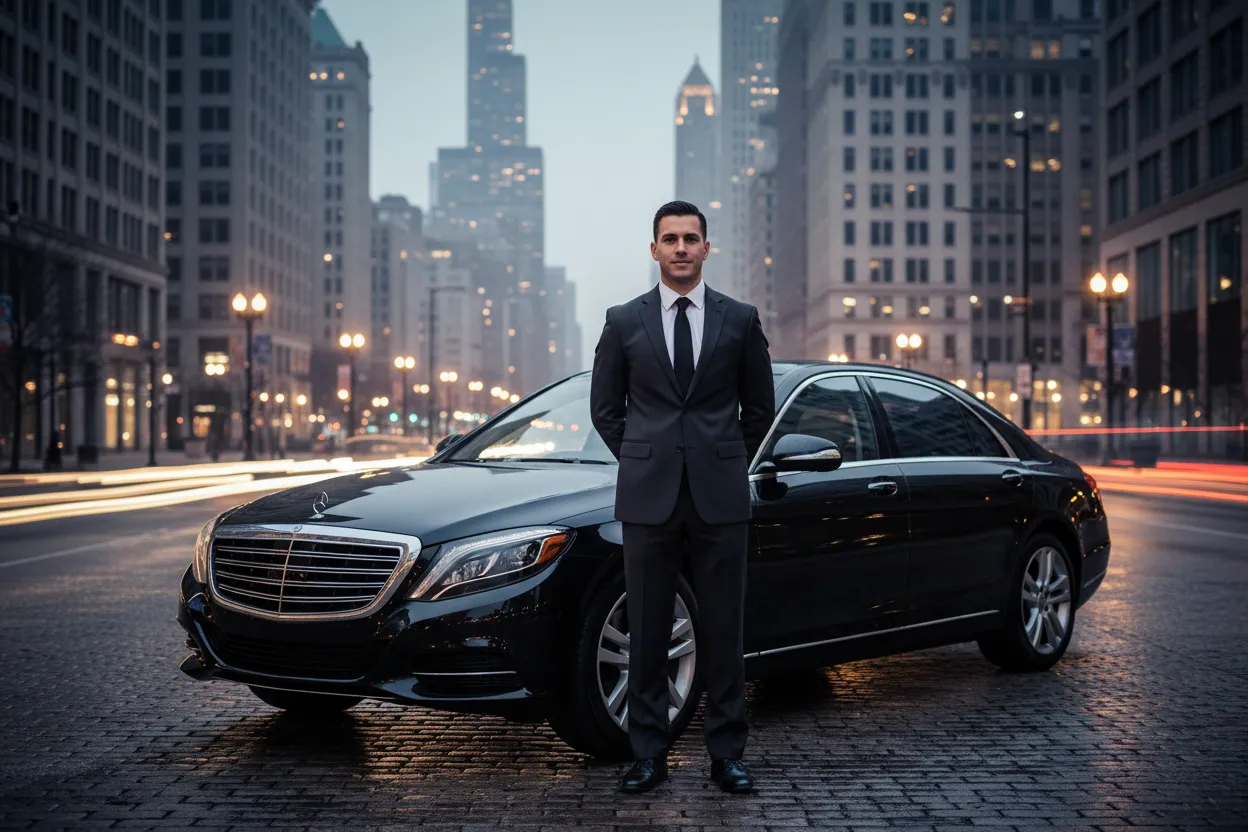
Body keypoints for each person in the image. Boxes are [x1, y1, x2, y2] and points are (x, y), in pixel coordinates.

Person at [590, 201, 775, 794]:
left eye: (691, 238)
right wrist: (645, 456)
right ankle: (647, 753)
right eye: (669, 239)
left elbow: (759, 409)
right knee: (646, 629)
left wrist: (723, 459)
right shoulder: (623, 321)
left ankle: (727, 755)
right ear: (654, 250)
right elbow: (604, 409)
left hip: (720, 497)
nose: (680, 248)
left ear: (706, 247)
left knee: (724, 629)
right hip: (649, 499)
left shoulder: (740, 319)